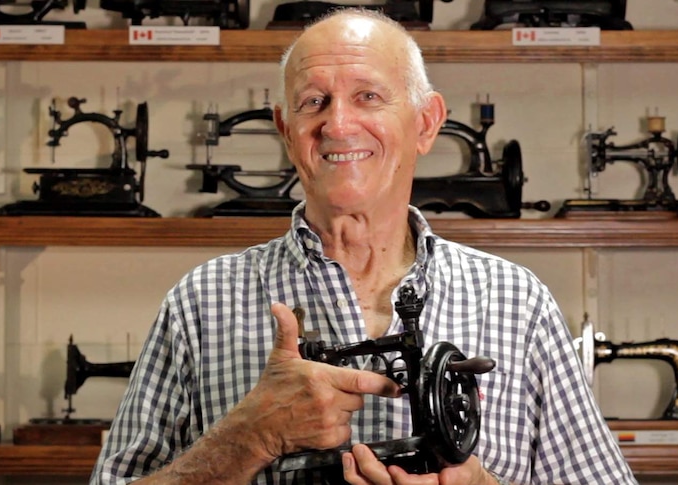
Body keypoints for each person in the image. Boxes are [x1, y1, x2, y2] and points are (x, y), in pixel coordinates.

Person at [91, 8, 637, 485]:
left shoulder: (518, 303)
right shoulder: (201, 304)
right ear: (287, 130)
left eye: (368, 96)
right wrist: (247, 440)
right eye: (314, 102)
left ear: (426, 123)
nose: (338, 123)